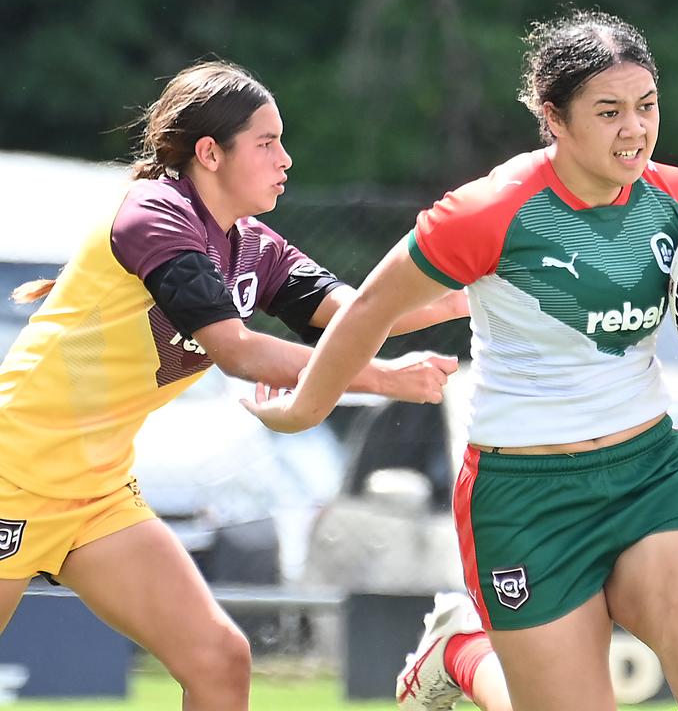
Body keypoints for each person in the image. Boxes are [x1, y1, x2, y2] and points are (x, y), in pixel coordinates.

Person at [245, 9, 678, 711]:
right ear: (553, 118)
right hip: (524, 495)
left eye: (646, 107)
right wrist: (306, 408)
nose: (635, 130)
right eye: (609, 111)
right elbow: (369, 308)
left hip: (649, 473)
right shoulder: (488, 210)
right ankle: (461, 649)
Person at [0, 60, 469, 711]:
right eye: (268, 142)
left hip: (95, 494)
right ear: (209, 152)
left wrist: (465, 295)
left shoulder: (252, 246)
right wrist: (381, 378)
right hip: (12, 474)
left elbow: (361, 311)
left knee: (220, 660)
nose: (287, 159)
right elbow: (238, 352)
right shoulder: (155, 216)